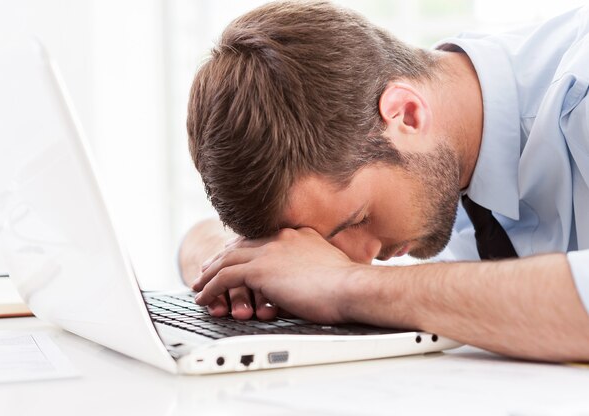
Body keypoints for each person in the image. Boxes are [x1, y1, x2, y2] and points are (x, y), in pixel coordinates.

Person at [180, 0, 589, 361]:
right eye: (324, 245)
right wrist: (240, 265)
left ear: (406, 114)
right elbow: (200, 234)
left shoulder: (580, 89)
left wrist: (346, 284)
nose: (362, 256)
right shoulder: (438, 162)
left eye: (358, 219)